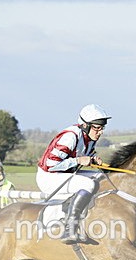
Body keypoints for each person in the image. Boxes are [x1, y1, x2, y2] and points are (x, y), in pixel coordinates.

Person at [36, 103, 110, 243]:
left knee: (102, 177)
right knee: (88, 184)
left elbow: (78, 159)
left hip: (63, 175)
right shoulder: (70, 137)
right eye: (97, 128)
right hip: (48, 177)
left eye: (102, 128)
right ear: (85, 125)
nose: (100, 132)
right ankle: (70, 230)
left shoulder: (90, 138)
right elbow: (52, 165)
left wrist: (91, 160)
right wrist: (78, 160)